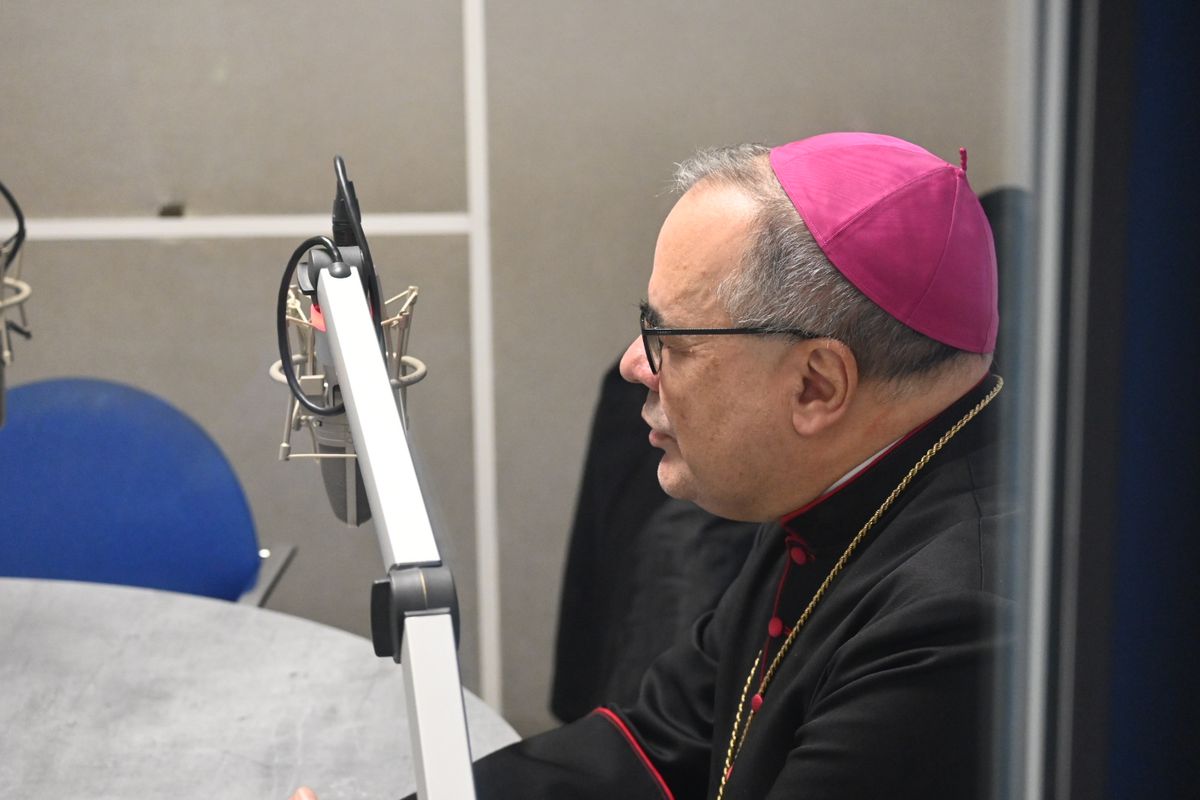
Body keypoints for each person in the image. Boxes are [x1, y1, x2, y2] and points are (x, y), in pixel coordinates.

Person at [292, 131, 1014, 799]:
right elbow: (657, 746)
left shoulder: (957, 625)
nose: (634, 365)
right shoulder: (837, 481)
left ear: (815, 386)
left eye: (672, 339)